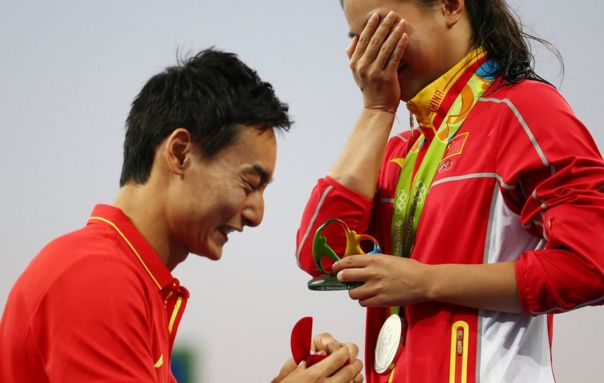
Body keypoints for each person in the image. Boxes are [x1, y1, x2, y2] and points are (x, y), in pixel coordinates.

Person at [295, 1, 604, 382]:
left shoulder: (526, 110)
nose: (367, 53)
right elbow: (319, 252)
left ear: (449, 6)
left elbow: (587, 268)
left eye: (379, 28)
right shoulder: (398, 151)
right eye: (357, 38)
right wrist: (376, 110)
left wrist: (425, 282)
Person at [0, 48, 364, 383]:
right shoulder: (97, 278)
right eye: (249, 183)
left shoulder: (131, 279)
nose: (257, 214)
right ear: (179, 153)